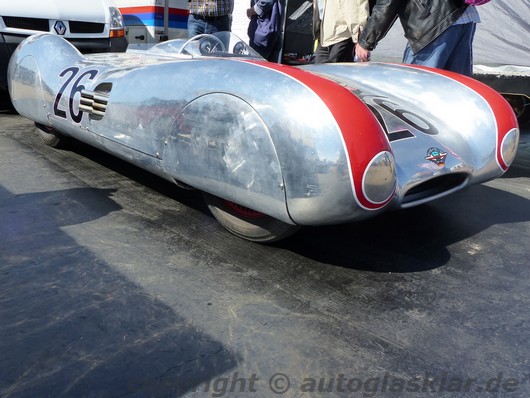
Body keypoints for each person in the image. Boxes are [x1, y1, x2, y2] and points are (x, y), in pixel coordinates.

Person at [355, 0, 480, 76]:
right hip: (463, 15)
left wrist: (366, 41)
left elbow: (387, 5)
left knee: (415, 84)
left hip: (433, 24)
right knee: (456, 84)